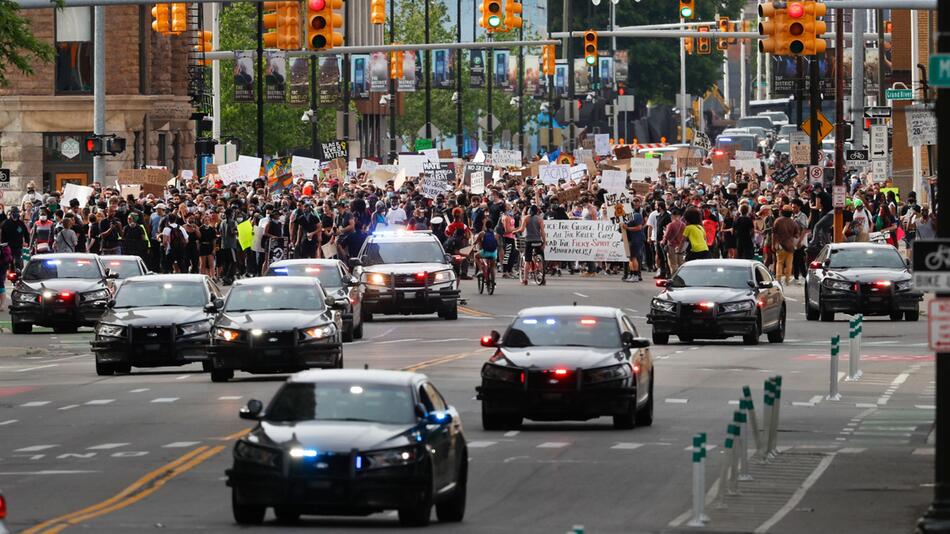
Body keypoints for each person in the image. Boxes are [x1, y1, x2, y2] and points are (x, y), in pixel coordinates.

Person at [514, 205, 546, 285]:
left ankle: (525, 279)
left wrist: (515, 231)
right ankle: (542, 277)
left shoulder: (526, 218)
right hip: (538, 241)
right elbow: (542, 232)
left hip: (529, 241)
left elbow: (522, 229)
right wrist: (544, 241)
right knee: (540, 259)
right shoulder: (539, 219)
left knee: (527, 260)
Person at [772, 205, 801, 286]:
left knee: (779, 263)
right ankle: (787, 280)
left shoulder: (777, 221)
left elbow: (774, 234)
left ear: (782, 212)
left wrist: (773, 244)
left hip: (780, 244)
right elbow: (797, 235)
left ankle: (778, 279)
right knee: (789, 264)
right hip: (790, 245)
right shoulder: (793, 222)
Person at [621, 204, 645, 282]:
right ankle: (631, 274)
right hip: (630, 239)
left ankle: (636, 275)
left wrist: (627, 228)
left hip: (637, 239)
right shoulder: (626, 217)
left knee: (634, 257)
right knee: (630, 258)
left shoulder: (636, 215)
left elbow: (639, 227)